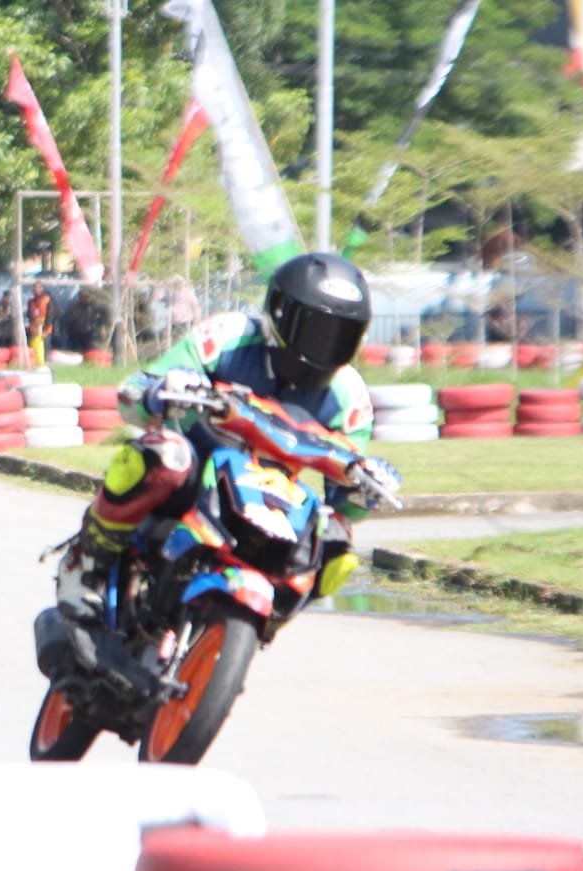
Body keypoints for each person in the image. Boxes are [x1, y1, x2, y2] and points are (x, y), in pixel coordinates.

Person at [53, 251, 400, 630]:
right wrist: (159, 392)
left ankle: (266, 620)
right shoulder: (227, 336)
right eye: (316, 331)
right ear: (280, 313)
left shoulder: (350, 396)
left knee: (335, 540)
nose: (326, 347)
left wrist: (365, 490)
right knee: (166, 454)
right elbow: (134, 391)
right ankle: (88, 560)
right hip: (196, 471)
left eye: (340, 337)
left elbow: (344, 491)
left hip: (274, 500)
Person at [26, 281, 55, 368]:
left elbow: (50, 315)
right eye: (34, 288)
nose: (35, 289)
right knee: (33, 345)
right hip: (34, 327)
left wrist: (45, 329)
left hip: (45, 326)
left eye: (38, 287)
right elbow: (29, 314)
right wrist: (33, 321)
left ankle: (44, 363)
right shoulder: (31, 301)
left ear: (42, 288)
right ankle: (34, 363)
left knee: (44, 345)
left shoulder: (48, 299)